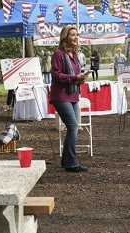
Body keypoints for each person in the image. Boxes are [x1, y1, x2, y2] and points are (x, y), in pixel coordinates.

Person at [50, 25, 90, 173]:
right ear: (65, 37)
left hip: (72, 95)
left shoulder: (75, 55)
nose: (75, 37)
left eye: (77, 35)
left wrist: (80, 79)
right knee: (73, 126)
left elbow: (74, 76)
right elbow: (56, 75)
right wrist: (74, 77)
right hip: (60, 96)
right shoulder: (59, 54)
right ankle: (71, 163)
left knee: (74, 127)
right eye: (72, 35)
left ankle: (67, 160)